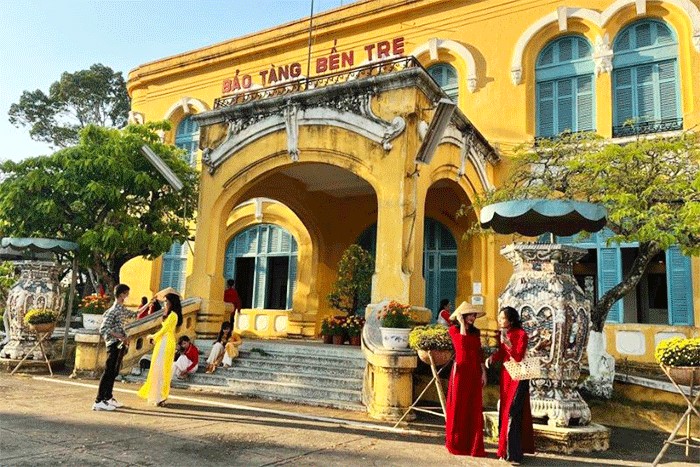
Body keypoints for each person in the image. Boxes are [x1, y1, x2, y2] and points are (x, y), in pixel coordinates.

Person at [486, 306, 535, 465]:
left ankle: (513, 453)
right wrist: (492, 358)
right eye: (499, 318)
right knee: (504, 412)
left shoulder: (521, 334)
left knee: (513, 412)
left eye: (502, 318)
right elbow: (502, 353)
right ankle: (503, 450)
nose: (500, 321)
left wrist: (508, 343)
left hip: (518, 378)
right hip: (506, 376)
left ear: (511, 320)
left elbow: (518, 357)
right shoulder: (502, 334)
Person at [445, 301, 487, 457]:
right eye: (469, 314)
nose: (473, 317)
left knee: (473, 407)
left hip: (474, 371)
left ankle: (472, 444)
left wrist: (483, 372)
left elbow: (479, 353)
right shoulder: (453, 330)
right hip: (460, 372)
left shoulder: (476, 332)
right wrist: (462, 324)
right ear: (462, 316)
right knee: (458, 406)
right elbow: (461, 346)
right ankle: (457, 443)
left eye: (474, 314)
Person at [137, 292, 183, 407]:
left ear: (172, 302)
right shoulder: (168, 314)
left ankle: (160, 396)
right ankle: (156, 395)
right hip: (162, 342)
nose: (165, 303)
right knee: (156, 368)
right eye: (164, 301)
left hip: (166, 343)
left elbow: (165, 330)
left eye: (167, 301)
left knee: (162, 369)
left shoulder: (173, 315)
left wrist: (153, 336)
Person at [93, 283, 132, 411]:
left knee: (114, 371)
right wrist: (119, 337)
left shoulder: (121, 309)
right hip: (113, 343)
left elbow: (134, 314)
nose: (127, 295)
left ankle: (108, 397)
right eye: (126, 293)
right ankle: (99, 400)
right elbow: (104, 328)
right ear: (121, 295)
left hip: (119, 344)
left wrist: (150, 304)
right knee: (108, 371)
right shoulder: (113, 311)